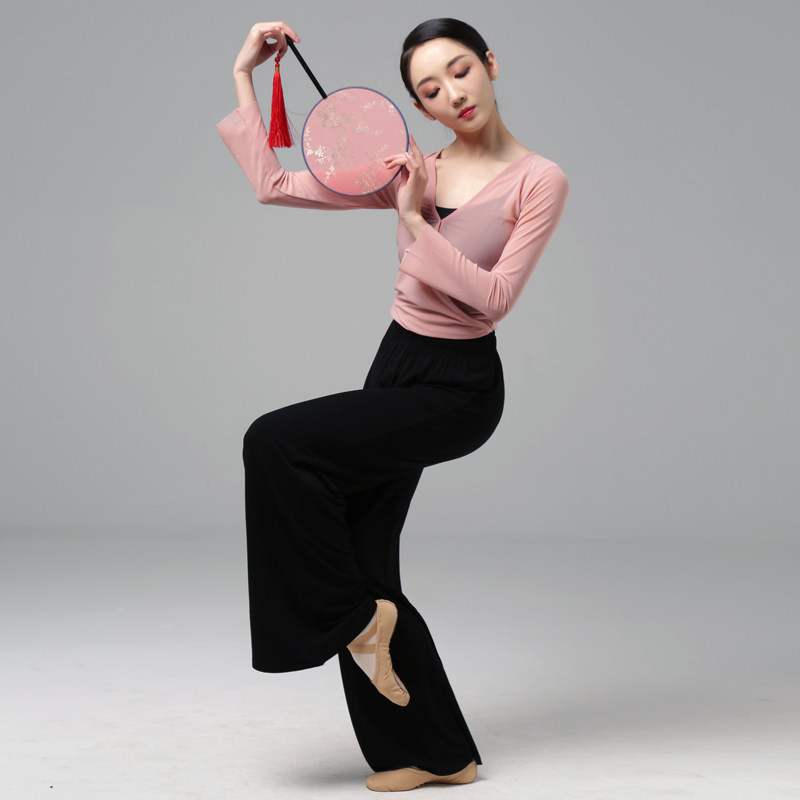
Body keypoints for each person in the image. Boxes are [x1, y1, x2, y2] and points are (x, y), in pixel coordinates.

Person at [216, 17, 569, 792]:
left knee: (275, 442)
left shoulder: (538, 179)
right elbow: (274, 185)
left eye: (460, 70)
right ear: (418, 106)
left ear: (491, 64)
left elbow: (493, 298)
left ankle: (352, 619)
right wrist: (245, 76)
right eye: (430, 89)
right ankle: (438, 752)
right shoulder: (416, 167)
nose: (453, 94)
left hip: (458, 387)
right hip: (396, 362)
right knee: (363, 552)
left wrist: (413, 218)